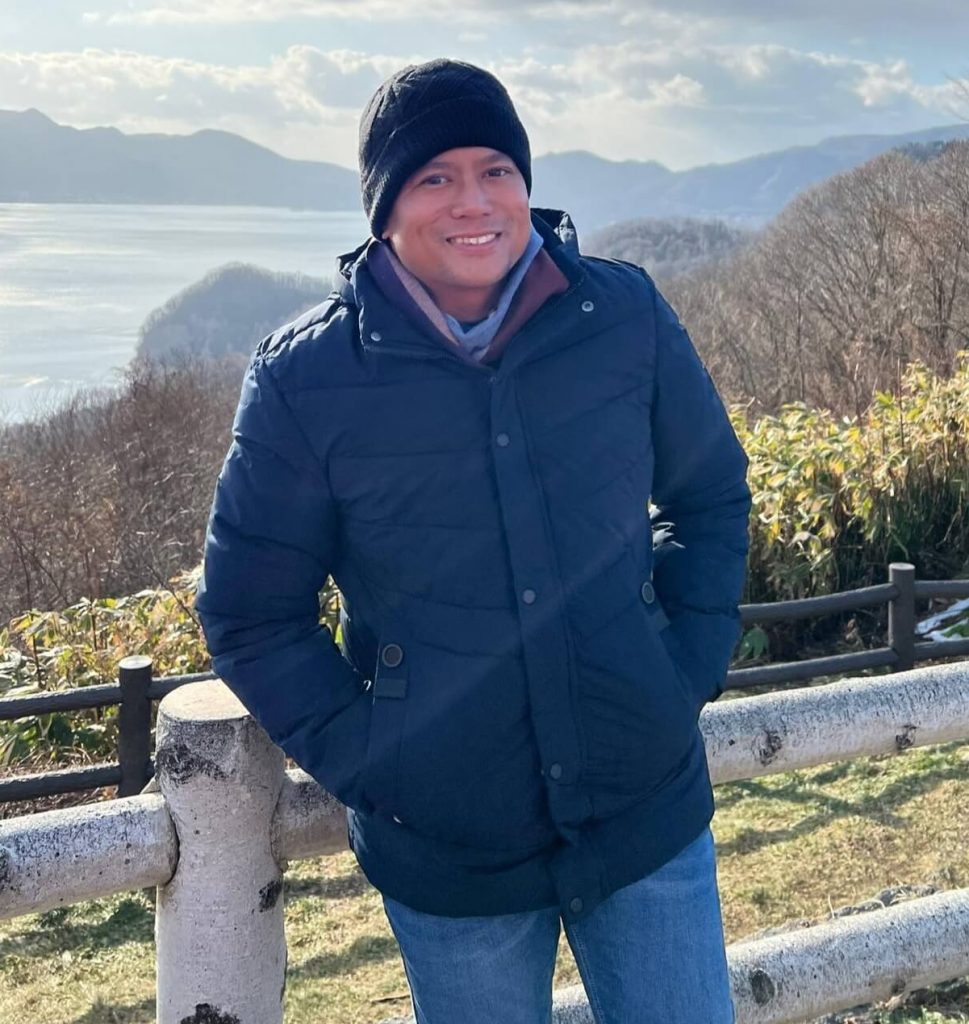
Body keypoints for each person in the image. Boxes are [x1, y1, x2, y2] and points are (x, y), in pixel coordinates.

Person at [196, 57, 750, 1024]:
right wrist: (378, 760)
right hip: (450, 852)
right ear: (383, 209)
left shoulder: (621, 317)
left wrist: (681, 670)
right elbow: (251, 613)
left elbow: (707, 496)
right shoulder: (307, 379)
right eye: (434, 177)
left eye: (496, 169)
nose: (474, 201)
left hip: (643, 806)